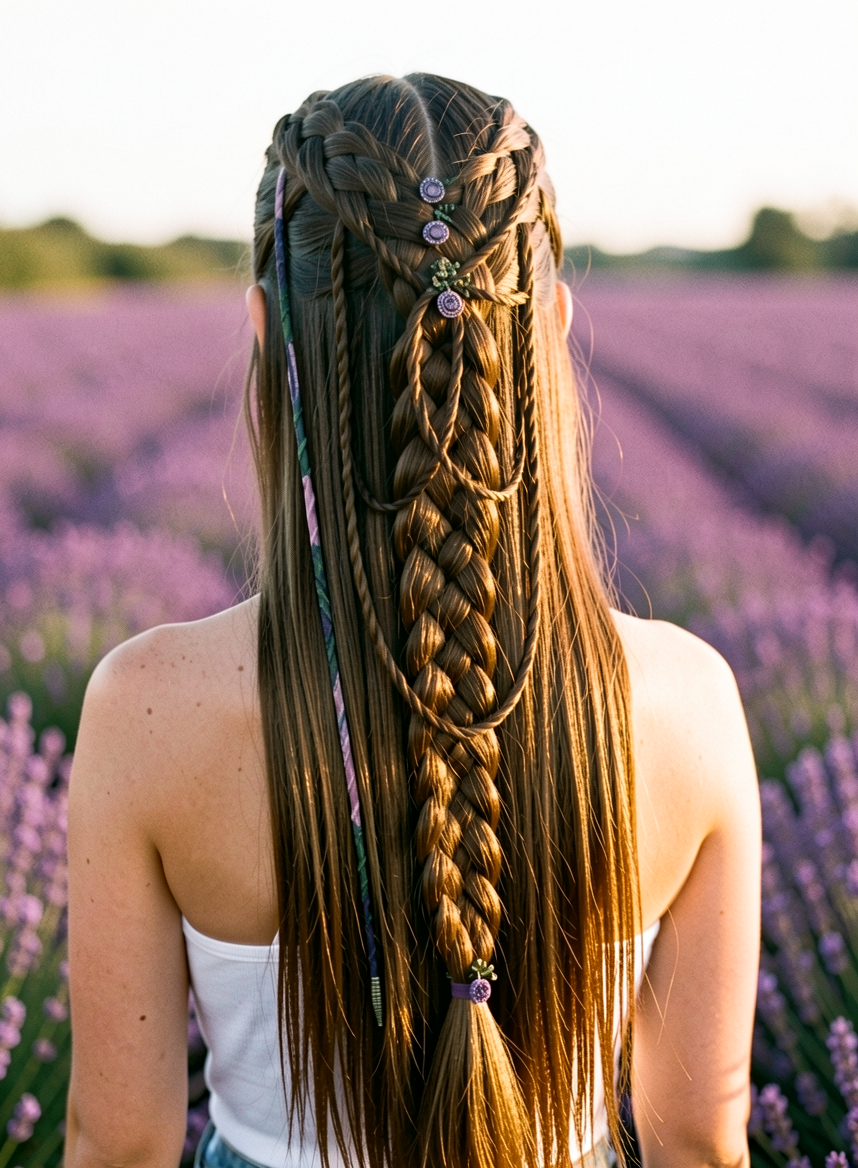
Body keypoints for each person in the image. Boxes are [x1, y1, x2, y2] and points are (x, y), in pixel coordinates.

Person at [63, 74, 760, 1168]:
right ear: (551, 328)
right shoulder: (687, 702)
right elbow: (698, 1142)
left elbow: (120, 1147)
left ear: (265, 335)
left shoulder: (145, 707)